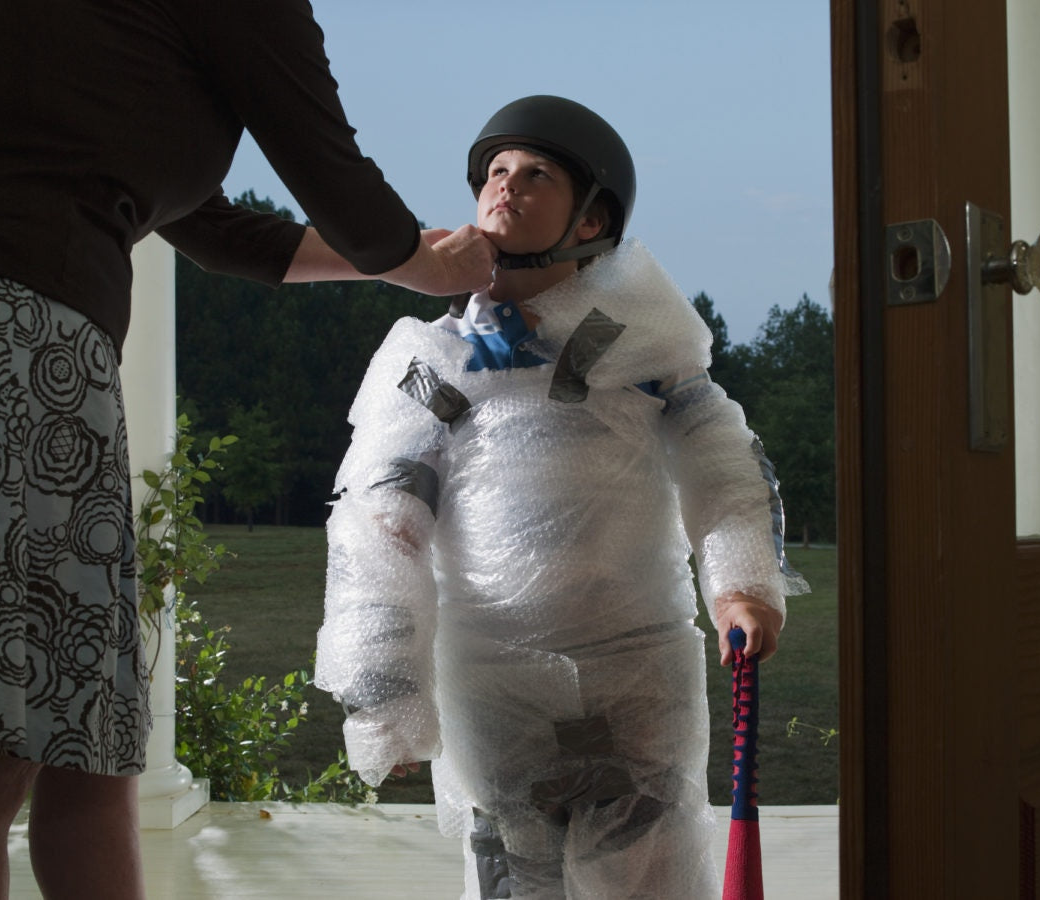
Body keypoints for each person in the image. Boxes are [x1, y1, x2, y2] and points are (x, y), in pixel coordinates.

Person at [0, 1, 495, 897]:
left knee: (90, 739)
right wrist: (417, 261)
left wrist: (395, 256)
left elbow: (206, 225)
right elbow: (331, 172)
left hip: (33, 350)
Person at [314, 94, 807, 899]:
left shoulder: (636, 345)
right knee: (512, 876)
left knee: (651, 875)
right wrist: (384, 691)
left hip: (635, 680)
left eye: (536, 173)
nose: (504, 187)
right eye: (494, 172)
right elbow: (381, 523)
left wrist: (742, 584)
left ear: (590, 220)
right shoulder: (436, 365)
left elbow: (718, 457)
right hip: (495, 693)